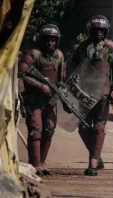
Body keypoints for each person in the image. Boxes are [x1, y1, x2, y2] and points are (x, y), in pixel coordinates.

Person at [70, 15, 113, 176]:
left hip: (103, 95)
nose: (98, 33)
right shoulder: (82, 47)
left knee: (99, 127)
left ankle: (93, 163)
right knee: (82, 127)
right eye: (95, 30)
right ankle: (96, 155)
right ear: (90, 30)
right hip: (84, 94)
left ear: (106, 30)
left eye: (101, 30)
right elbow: (72, 66)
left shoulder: (112, 48)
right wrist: (72, 82)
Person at [18, 24, 66, 176]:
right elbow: (23, 73)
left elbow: (62, 78)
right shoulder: (33, 54)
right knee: (36, 130)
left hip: (51, 99)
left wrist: (62, 93)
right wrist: (40, 86)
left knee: (49, 130)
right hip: (34, 99)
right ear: (41, 40)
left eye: (53, 40)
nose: (49, 43)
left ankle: (43, 163)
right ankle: (35, 164)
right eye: (47, 40)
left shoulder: (59, 56)